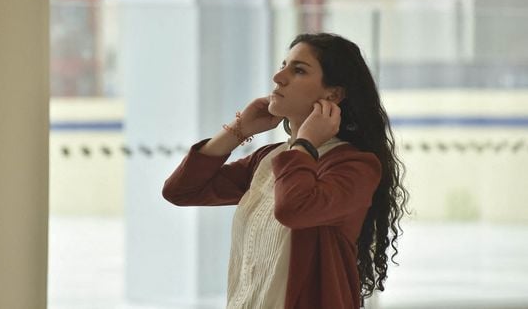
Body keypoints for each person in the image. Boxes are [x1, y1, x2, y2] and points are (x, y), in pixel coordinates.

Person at [162, 32, 409, 309]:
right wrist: (239, 129)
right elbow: (181, 190)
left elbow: (294, 209)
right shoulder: (271, 159)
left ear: (333, 94)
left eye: (299, 70)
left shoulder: (355, 166)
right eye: (283, 65)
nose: (278, 78)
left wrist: (304, 142)